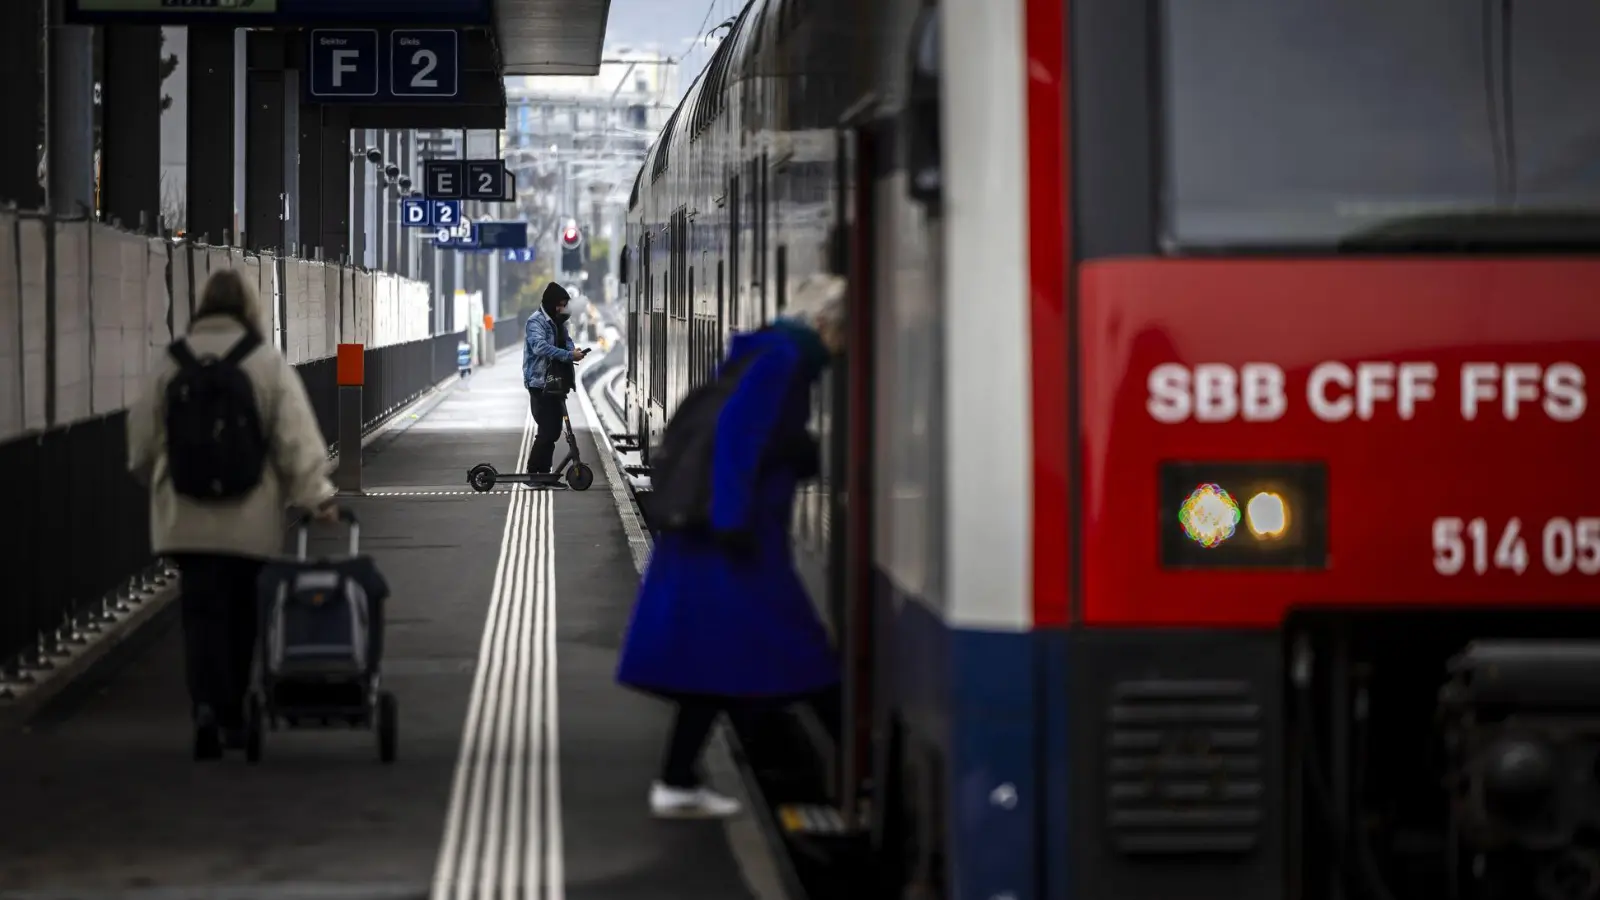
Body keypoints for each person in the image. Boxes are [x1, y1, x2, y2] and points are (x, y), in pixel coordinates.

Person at [615, 273, 849, 818]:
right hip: (736, 540)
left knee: (717, 660)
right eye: (841, 332)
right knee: (803, 655)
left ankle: (677, 781)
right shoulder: (784, 361)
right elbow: (740, 433)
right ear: (822, 324)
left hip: (728, 536)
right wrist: (732, 519)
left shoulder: (770, 352)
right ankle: (866, 775)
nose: (842, 345)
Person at [127, 268, 338, 759]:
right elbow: (295, 441)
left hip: (185, 518)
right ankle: (233, 713)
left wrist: (161, 484)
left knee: (199, 612)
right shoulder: (265, 362)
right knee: (243, 612)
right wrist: (317, 496)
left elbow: (140, 448)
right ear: (249, 307)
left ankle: (204, 706)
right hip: (249, 517)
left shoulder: (170, 362)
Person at [523, 282, 588, 480]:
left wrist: (574, 351)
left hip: (557, 384)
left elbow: (567, 342)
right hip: (540, 383)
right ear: (551, 303)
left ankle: (544, 473)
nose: (563, 308)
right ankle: (534, 472)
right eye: (560, 304)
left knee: (553, 430)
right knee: (548, 430)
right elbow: (539, 347)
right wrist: (568, 355)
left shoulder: (559, 323)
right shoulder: (536, 322)